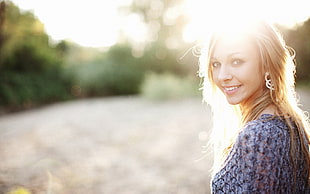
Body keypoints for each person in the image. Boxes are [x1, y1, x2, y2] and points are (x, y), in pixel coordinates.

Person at [197, 19, 310, 193]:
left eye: (236, 61)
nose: (222, 76)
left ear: (266, 64)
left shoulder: (258, 136)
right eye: (215, 64)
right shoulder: (291, 122)